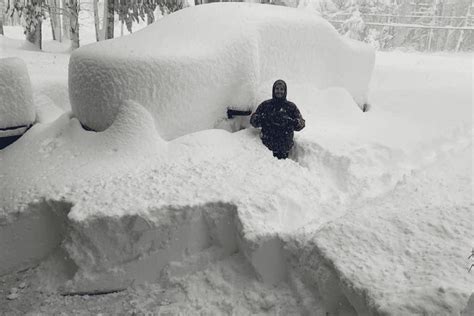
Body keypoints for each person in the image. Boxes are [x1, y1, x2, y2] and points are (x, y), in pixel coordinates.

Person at [250, 80, 305, 159]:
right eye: (277, 89)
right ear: (273, 90)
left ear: (285, 91)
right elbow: (253, 120)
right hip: (266, 151)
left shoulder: (291, 107)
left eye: (282, 89)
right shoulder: (265, 105)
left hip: (285, 151)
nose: (279, 91)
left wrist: (292, 122)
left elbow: (301, 123)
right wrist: (264, 118)